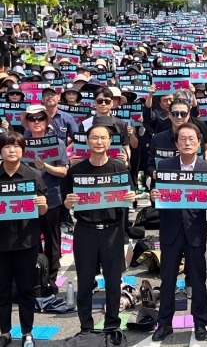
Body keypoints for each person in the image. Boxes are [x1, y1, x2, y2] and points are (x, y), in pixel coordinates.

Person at [62, 117, 136, 332]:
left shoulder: (119, 168)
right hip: (85, 230)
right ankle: (86, 327)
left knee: (113, 283)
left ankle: (112, 325)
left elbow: (129, 198)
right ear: (87, 141)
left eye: (104, 138)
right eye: (94, 138)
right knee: (85, 282)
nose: (99, 142)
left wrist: (131, 196)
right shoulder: (76, 170)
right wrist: (68, 202)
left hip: (112, 230)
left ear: (110, 141)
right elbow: (66, 201)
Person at [150, 123, 207, 342]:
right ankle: (164, 324)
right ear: (176, 143)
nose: (187, 143)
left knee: (198, 280)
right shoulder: (164, 166)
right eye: (182, 139)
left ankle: (200, 323)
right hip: (170, 230)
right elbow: (158, 198)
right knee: (167, 279)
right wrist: (154, 195)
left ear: (199, 143)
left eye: (191, 139)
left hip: (195, 230)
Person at [0, 131, 48, 347]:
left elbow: (43, 210)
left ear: (23, 150)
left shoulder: (32, 175)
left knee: (25, 289)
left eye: (17, 146)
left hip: (26, 242)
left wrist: (41, 204)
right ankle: (5, 332)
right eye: (7, 146)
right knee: (2, 290)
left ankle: (27, 332)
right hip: (1, 243)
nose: (12, 150)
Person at [22, 104, 69, 293]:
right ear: (27, 123)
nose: (36, 122)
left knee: (52, 239)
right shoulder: (20, 144)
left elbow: (64, 171)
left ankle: (51, 277)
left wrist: (46, 167)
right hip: (26, 199)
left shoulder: (57, 143)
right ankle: (36, 275)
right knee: (30, 239)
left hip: (51, 198)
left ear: (46, 121)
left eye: (40, 118)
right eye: (32, 119)